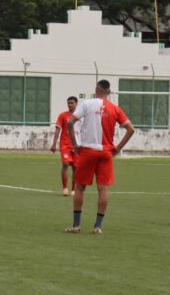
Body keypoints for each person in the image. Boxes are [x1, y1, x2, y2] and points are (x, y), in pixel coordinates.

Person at [65, 80, 135, 235]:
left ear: (96, 89)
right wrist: (117, 148)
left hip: (88, 151)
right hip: (106, 153)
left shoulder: (87, 103)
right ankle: (97, 226)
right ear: (109, 92)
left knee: (80, 187)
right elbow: (131, 129)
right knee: (102, 188)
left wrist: (75, 144)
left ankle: (76, 226)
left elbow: (70, 122)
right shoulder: (115, 108)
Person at [51, 96, 80, 196]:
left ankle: (73, 189)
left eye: (72, 103)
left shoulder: (80, 116)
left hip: (77, 146)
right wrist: (54, 144)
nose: (70, 105)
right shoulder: (63, 115)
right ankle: (65, 188)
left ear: (76, 104)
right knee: (66, 164)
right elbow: (58, 129)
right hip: (65, 145)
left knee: (76, 167)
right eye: (68, 103)